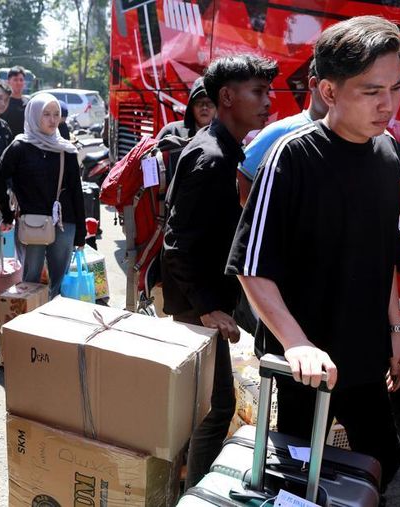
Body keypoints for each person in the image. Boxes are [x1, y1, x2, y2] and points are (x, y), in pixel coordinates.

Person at [225, 15, 400, 493]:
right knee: (297, 477)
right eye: (371, 91)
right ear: (328, 91)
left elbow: (385, 253)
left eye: (395, 88)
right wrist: (297, 344)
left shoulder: (388, 154)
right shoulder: (291, 157)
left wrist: (396, 330)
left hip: (367, 356)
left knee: (384, 459)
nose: (387, 105)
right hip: (305, 363)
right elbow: (252, 267)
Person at [161, 55, 278, 488]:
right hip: (198, 307)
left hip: (206, 300)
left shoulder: (225, 147)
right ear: (226, 97)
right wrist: (208, 308)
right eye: (258, 92)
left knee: (207, 405)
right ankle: (195, 493)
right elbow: (178, 243)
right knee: (215, 407)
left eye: (268, 91)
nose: (268, 102)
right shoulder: (213, 158)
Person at [0, 93, 86, 298]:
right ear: (34, 115)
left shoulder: (66, 149)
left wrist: (81, 231)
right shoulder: (20, 147)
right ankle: (28, 327)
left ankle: (51, 326)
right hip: (32, 224)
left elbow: (76, 192)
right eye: (46, 114)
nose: (53, 120)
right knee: (30, 282)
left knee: (58, 284)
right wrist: (8, 215)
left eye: (56, 114)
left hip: (65, 222)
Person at [237, 59, 327, 205]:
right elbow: (243, 175)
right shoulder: (281, 130)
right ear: (314, 84)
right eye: (330, 87)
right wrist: (260, 217)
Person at [155, 77, 215, 181]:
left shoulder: (225, 137)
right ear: (191, 107)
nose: (204, 107)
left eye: (209, 103)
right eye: (199, 103)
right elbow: (149, 164)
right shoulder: (171, 131)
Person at [1, 66, 29, 137]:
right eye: (15, 80)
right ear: (8, 82)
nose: (19, 83)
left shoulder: (28, 102)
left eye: (21, 80)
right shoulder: (3, 102)